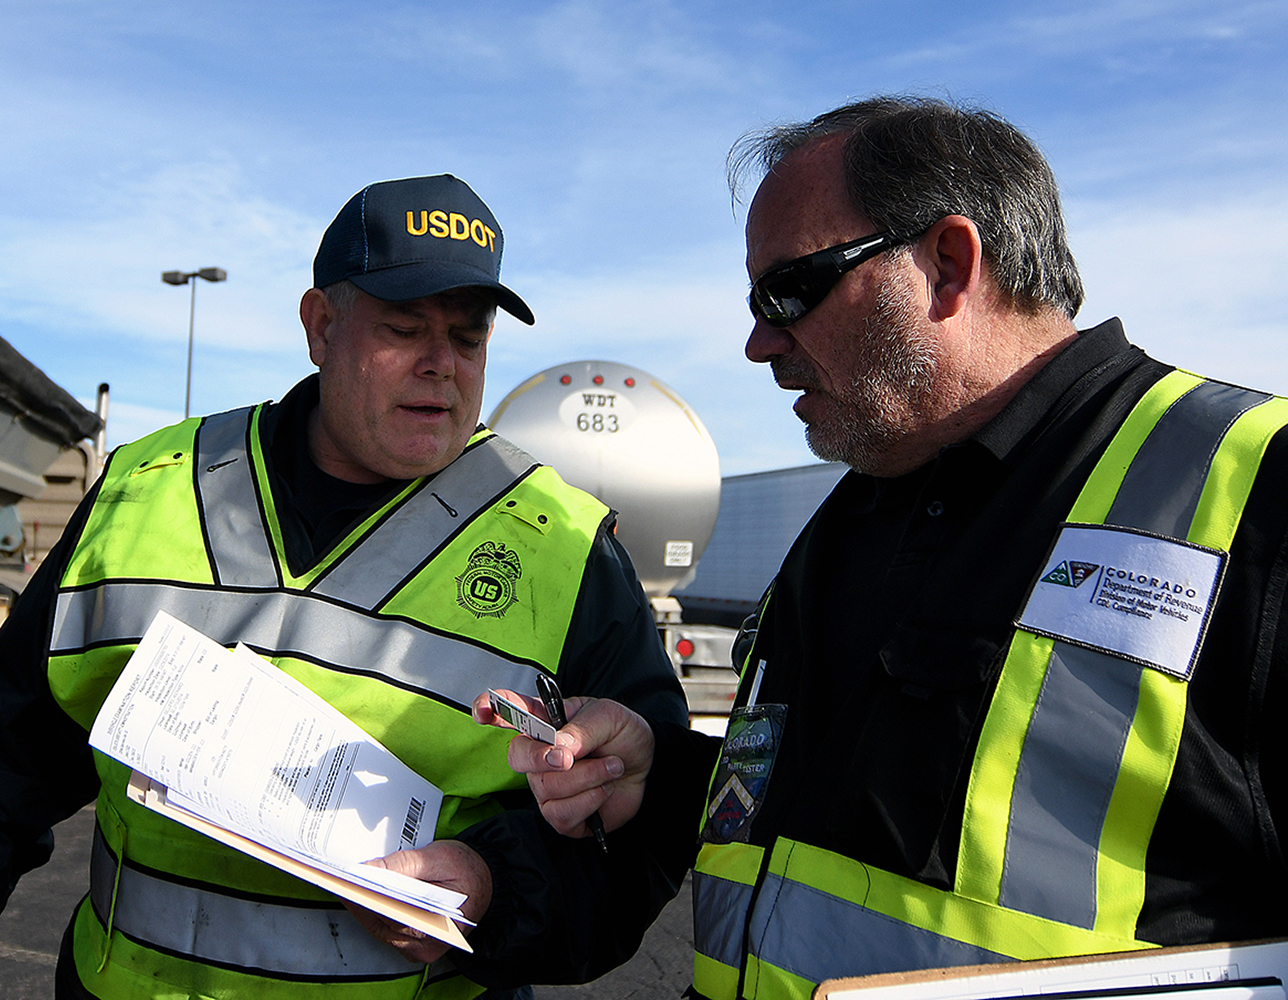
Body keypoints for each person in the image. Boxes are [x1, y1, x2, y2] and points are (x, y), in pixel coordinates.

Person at [490, 96, 1288, 1000]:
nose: (759, 343)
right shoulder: (854, 520)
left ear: (948, 265)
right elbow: (857, 815)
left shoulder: (1259, 490)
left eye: (787, 291)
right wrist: (663, 778)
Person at [0, 173, 688, 1000]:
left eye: (468, 337)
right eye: (405, 327)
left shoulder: (565, 548)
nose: (440, 366)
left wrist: (494, 885)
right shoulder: (144, 491)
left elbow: (640, 835)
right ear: (320, 326)